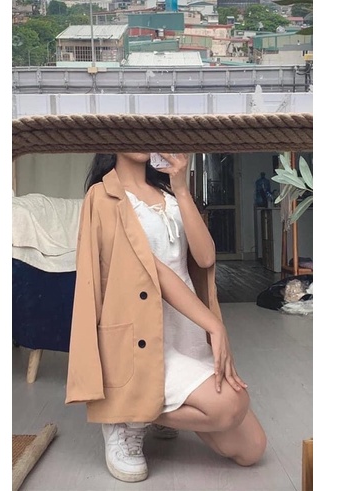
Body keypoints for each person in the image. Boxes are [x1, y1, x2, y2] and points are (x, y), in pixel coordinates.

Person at [65, 152, 266, 483]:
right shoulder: (103, 196)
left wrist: (181, 188)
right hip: (142, 341)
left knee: (252, 449)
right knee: (231, 404)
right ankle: (123, 418)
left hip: (186, 334)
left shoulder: (170, 194)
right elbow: (153, 271)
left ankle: (140, 408)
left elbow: (205, 257)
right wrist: (214, 324)